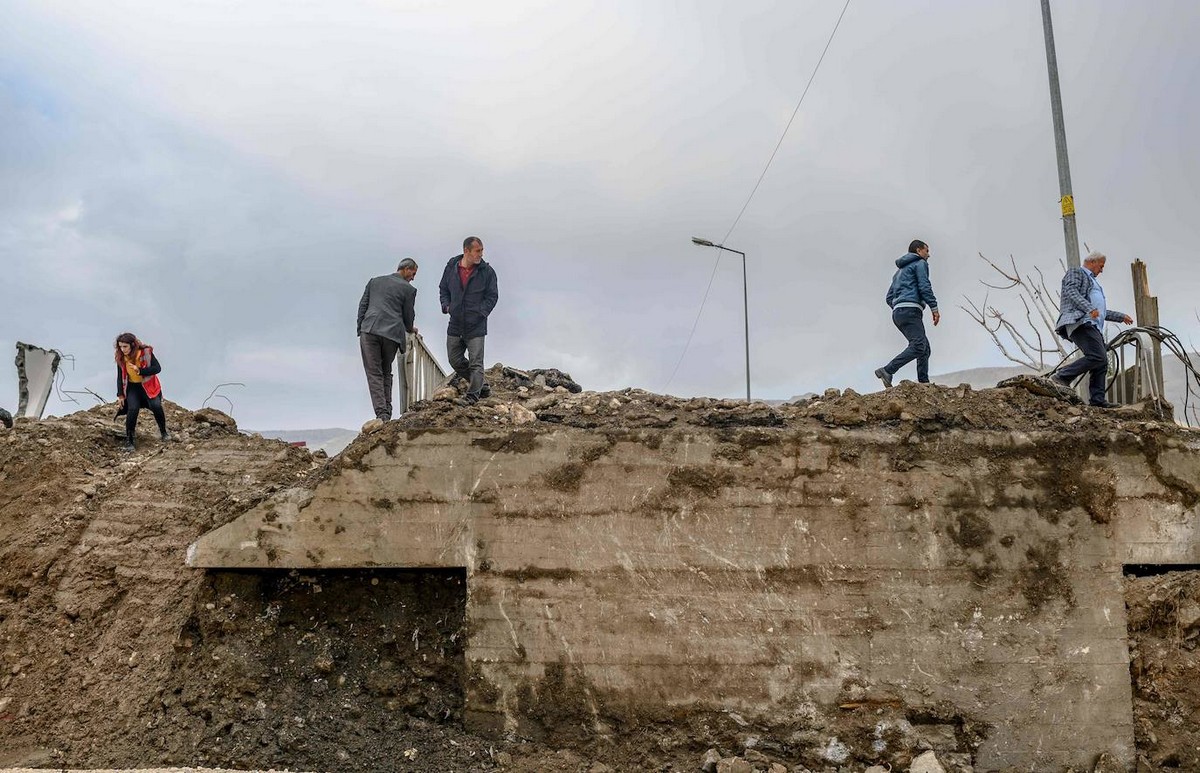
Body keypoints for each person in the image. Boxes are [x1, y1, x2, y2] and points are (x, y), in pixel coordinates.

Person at [1052, 251, 1133, 408]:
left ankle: (1097, 400)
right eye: (1101, 266)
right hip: (1080, 322)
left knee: (1101, 362)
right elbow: (1071, 292)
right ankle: (1061, 376)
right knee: (1098, 356)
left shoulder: (1092, 281)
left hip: (1091, 323)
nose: (1102, 270)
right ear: (1093, 262)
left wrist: (1120, 316)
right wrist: (1089, 308)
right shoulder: (1077, 272)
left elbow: (1099, 311)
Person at [438, 236, 499, 405]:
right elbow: (443, 288)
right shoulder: (451, 266)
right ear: (466, 251)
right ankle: (481, 385)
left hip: (476, 325)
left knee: (476, 363)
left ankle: (472, 397)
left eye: (481, 250)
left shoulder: (487, 272)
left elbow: (492, 296)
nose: (481, 254)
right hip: (456, 323)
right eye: (477, 251)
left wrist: (481, 313)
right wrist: (446, 306)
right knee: (454, 359)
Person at [357, 258, 419, 421]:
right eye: (413, 273)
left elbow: (363, 306)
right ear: (406, 269)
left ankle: (382, 413)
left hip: (369, 330)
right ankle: (386, 411)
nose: (413, 277)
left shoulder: (375, 282)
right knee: (386, 372)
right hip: (391, 334)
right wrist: (410, 328)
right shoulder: (409, 290)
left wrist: (361, 328)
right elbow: (408, 315)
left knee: (374, 373)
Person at [875, 239, 940, 388]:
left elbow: (888, 297)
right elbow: (924, 286)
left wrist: (899, 306)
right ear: (918, 250)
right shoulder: (920, 264)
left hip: (899, 313)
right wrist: (934, 308)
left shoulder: (898, 273)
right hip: (910, 310)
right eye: (927, 250)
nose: (928, 255)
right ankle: (887, 370)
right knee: (919, 345)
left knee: (924, 347)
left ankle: (924, 383)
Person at [114, 332, 169, 451]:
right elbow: (120, 377)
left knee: (156, 406)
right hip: (133, 388)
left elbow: (157, 368)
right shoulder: (121, 358)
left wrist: (140, 370)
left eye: (125, 346)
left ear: (132, 345)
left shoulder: (146, 353)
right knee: (132, 409)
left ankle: (164, 432)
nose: (123, 349)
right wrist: (121, 395)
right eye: (120, 347)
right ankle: (130, 441)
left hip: (148, 385)